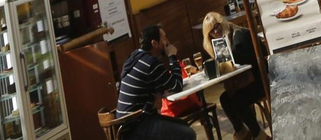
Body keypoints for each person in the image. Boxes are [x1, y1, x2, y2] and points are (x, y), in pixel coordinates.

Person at [114, 25, 192, 139]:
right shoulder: (150, 63)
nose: (168, 41)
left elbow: (157, 85)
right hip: (135, 128)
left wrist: (158, 92)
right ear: (154, 43)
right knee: (187, 134)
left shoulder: (135, 57)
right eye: (164, 38)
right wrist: (172, 56)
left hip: (127, 127)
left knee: (184, 126)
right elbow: (177, 85)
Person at [202, 12, 268, 140]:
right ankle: (242, 132)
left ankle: (259, 135)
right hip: (247, 80)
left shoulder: (238, 35)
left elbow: (246, 60)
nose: (216, 31)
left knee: (238, 101)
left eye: (217, 26)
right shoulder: (224, 41)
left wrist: (225, 58)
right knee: (225, 99)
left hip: (261, 79)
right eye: (211, 31)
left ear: (222, 22)